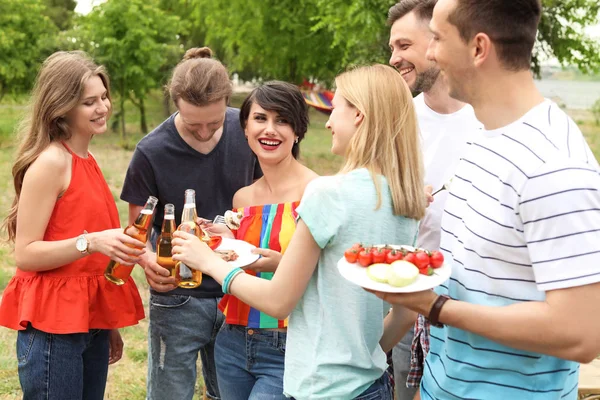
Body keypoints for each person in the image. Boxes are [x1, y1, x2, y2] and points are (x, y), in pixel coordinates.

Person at [371, 1, 600, 399]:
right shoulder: (482, 135)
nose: (429, 53)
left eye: (438, 38)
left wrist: (435, 306)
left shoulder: (554, 165)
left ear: (478, 48)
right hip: (441, 386)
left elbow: (581, 334)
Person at [171, 64, 425, 400]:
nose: (330, 122)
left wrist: (209, 261)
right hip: (370, 384)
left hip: (320, 387)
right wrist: (358, 356)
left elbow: (278, 302)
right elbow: (406, 310)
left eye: (335, 110)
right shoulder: (406, 200)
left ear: (359, 117)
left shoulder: (327, 193)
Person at [0, 51, 145, 400]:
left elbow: (95, 264)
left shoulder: (88, 158)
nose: (103, 107)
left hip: (88, 322)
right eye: (89, 102)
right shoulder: (51, 163)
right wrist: (91, 241)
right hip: (54, 328)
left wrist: (106, 324)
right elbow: (27, 255)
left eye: (104, 97)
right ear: (62, 107)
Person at [120, 46, 261, 400]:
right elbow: (137, 226)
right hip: (177, 299)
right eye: (191, 122)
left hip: (241, 292)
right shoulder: (150, 151)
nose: (203, 133)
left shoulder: (249, 131)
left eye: (213, 123)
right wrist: (148, 259)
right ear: (175, 103)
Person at [386, 1, 482, 398]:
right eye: (392, 48)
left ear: (437, 42)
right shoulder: (395, 121)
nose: (394, 59)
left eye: (403, 45)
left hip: (475, 307)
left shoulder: (486, 119)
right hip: (409, 299)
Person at [204, 81, 318, 399]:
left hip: (289, 344)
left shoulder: (318, 192)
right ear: (245, 128)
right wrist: (220, 238)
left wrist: (281, 263)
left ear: (298, 131)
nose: (270, 129)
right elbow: (241, 258)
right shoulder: (243, 198)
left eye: (282, 120)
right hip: (232, 342)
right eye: (260, 118)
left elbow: (331, 276)